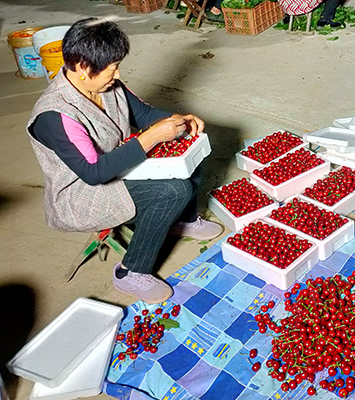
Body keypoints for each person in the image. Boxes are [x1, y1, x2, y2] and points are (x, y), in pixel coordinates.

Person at [27, 18, 223, 305]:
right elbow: (93, 173)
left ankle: (183, 219)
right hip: (82, 194)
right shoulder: (55, 115)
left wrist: (178, 121)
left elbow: (143, 115)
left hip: (115, 165)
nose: (117, 73)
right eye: (112, 67)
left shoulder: (108, 86)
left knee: (189, 149)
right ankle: (131, 271)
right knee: (174, 190)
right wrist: (151, 138)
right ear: (82, 67)